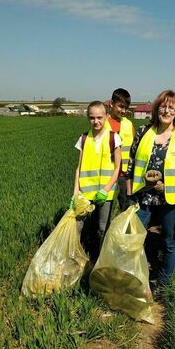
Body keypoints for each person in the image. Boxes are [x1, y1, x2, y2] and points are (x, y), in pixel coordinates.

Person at [125, 90, 175, 288]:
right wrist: (130, 195)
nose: (166, 110)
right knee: (133, 239)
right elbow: (130, 165)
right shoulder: (143, 132)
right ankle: (135, 279)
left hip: (170, 199)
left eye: (171, 107)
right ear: (156, 109)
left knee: (169, 242)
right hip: (143, 196)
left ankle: (163, 284)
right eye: (163, 106)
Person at [72, 100, 121, 256]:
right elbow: (78, 168)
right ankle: (77, 257)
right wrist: (75, 192)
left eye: (99, 117)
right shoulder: (84, 139)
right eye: (92, 118)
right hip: (85, 192)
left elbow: (117, 168)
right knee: (78, 227)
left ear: (106, 116)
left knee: (102, 228)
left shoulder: (114, 138)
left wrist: (105, 190)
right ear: (88, 118)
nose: (96, 121)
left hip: (105, 193)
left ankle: (100, 260)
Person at [105, 88, 135, 211]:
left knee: (125, 206)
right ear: (112, 104)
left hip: (124, 174)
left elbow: (134, 150)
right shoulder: (103, 123)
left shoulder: (129, 125)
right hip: (107, 173)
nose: (123, 111)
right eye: (120, 106)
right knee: (104, 207)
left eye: (126, 108)